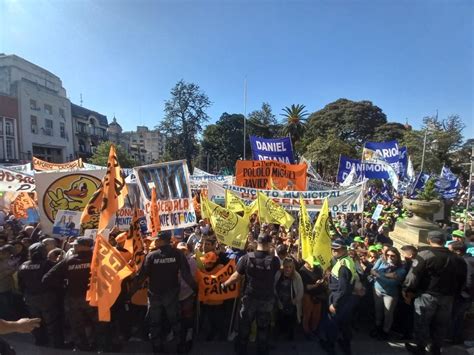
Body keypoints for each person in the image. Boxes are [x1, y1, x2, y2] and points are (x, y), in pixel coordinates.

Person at [403, 231, 467, 355]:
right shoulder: (457, 258)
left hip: (427, 295)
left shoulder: (425, 255)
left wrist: (407, 289)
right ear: (443, 240)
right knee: (441, 325)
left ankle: (420, 348)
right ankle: (436, 349)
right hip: (448, 297)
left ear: (429, 240)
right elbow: (462, 279)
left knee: (422, 322)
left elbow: (413, 276)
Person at [135, 230, 196, 353]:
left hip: (154, 295)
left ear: (162, 240)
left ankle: (157, 347)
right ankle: (180, 346)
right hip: (171, 294)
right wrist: (195, 288)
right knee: (175, 321)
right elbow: (186, 274)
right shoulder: (178, 254)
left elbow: (141, 277)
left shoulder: (151, 256)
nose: (155, 241)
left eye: (157, 239)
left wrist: (130, 291)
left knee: (155, 322)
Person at [222, 233, 280, 355]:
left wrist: (224, 285)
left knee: (245, 326)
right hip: (266, 300)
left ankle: (242, 350)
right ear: (269, 244)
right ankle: (262, 350)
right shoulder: (274, 261)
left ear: (257, 243)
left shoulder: (246, 258)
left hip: (249, 299)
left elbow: (236, 276)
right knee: (263, 328)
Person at [42, 236, 97, 352]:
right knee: (99, 324)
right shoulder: (98, 259)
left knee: (77, 326)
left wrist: (63, 285)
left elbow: (47, 278)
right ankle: (100, 345)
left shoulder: (68, 261)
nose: (74, 247)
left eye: (76, 245)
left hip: (73, 299)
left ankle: (83, 348)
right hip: (94, 298)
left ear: (83, 246)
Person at [17, 243, 65, 348]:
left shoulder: (23, 265)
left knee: (36, 320)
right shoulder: (47, 264)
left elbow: (20, 284)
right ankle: (57, 343)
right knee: (52, 320)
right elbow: (56, 277)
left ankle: (40, 341)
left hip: (30, 297)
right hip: (46, 296)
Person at [320, 239, 358, 355]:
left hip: (339, 299)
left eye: (336, 249)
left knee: (333, 323)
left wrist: (334, 304)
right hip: (347, 299)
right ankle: (346, 346)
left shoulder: (343, 266)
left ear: (343, 250)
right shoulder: (347, 260)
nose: (333, 251)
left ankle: (330, 346)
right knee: (345, 324)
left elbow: (343, 289)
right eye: (332, 249)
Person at [370, 247, 406, 340]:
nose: (390, 257)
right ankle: (377, 328)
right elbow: (372, 270)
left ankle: (385, 331)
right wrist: (386, 275)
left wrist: (378, 274)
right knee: (378, 310)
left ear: (397, 256)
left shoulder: (401, 269)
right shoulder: (381, 260)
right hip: (377, 289)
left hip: (390, 293)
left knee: (388, 313)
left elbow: (391, 283)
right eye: (388, 255)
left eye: (393, 255)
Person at [448, 241, 474, 344]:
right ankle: (455, 338)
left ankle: (454, 338)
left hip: (463, 295)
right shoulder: (468, 259)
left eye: (450, 251)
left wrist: (462, 292)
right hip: (465, 294)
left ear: (458, 252)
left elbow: (469, 279)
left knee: (456, 317)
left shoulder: (466, 262)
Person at [273, 257, 303, 340]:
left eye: (290, 267)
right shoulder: (279, 274)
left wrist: (294, 301)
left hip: (292, 302)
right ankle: (280, 333)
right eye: (286, 267)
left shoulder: (297, 276)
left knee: (290, 320)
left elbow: (300, 291)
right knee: (280, 319)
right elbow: (274, 286)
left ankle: (290, 336)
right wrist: (277, 300)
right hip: (280, 301)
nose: (288, 269)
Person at [299, 260, 325, 339]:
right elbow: (305, 286)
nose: (313, 264)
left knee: (316, 314)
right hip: (308, 295)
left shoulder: (317, 268)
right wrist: (315, 285)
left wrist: (323, 280)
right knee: (307, 314)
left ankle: (314, 330)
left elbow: (321, 278)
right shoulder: (302, 271)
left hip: (318, 295)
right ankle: (306, 331)